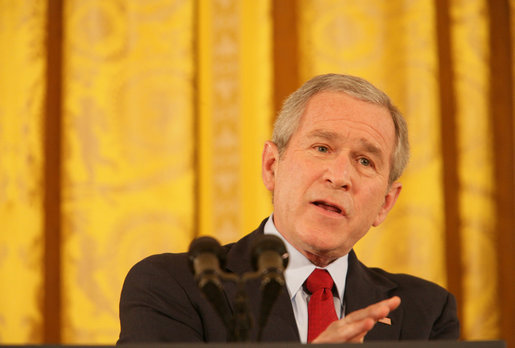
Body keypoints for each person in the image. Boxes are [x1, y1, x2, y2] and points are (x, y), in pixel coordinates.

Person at [117, 74, 459, 343]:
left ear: (385, 203)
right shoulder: (175, 286)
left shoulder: (426, 311)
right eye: (322, 147)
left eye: (365, 160)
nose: (339, 177)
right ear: (271, 166)